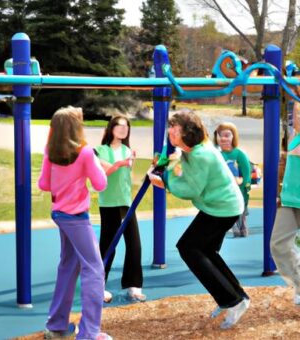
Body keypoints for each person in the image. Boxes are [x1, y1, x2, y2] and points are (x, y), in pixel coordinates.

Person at [148, 111, 250, 329]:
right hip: (218, 206)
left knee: (188, 248)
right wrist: (165, 167)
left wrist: (165, 181)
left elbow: (190, 188)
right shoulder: (192, 150)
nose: (169, 131)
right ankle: (236, 296)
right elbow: (181, 167)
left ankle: (233, 301)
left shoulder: (201, 154)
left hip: (223, 208)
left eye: (174, 128)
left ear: (186, 132)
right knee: (206, 251)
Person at [38, 106, 112, 340]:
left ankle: (57, 324)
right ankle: (89, 333)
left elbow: (44, 184)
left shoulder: (50, 150)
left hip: (59, 214)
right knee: (94, 269)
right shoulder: (85, 152)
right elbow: (100, 184)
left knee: (69, 265)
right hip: (76, 218)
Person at [95, 115, 145, 303]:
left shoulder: (127, 150)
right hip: (108, 203)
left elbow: (125, 172)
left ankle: (134, 285)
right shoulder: (100, 150)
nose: (124, 129)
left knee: (134, 244)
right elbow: (106, 171)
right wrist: (120, 164)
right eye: (119, 126)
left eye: (126, 127)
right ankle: (98, 285)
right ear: (111, 128)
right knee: (108, 246)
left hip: (125, 203)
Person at [270, 100, 300, 306]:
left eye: (298, 114)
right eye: (295, 114)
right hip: (290, 198)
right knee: (278, 244)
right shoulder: (293, 135)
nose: (295, 118)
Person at [214, 122, 252, 237]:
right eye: (221, 135)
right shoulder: (217, 155)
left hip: (239, 189)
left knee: (240, 211)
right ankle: (232, 225)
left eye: (227, 135)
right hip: (224, 190)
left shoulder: (239, 154)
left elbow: (246, 173)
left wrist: (244, 185)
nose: (224, 138)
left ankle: (242, 224)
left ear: (233, 137)